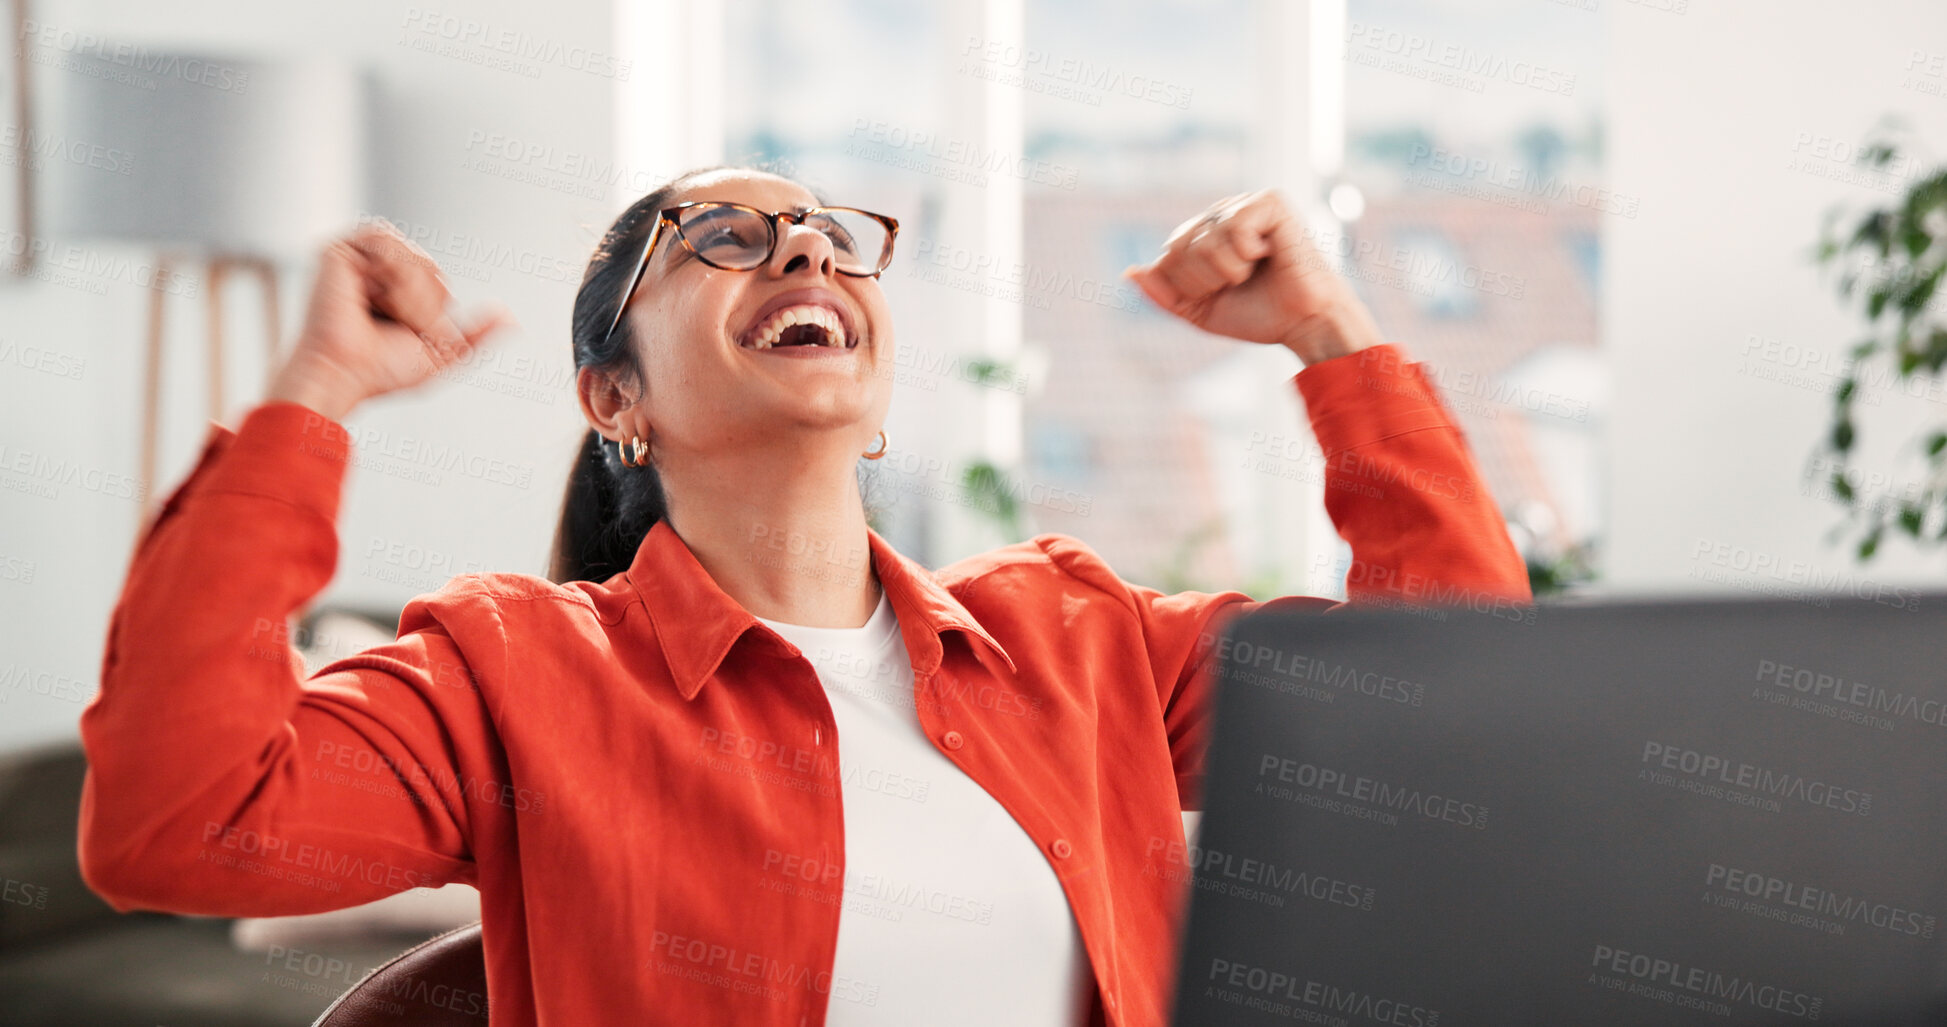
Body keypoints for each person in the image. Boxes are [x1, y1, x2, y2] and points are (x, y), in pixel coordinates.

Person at [76, 165, 1529, 1027]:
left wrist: (1330, 338)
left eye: (829, 233)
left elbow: (1454, 711)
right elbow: (179, 830)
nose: (804, 248)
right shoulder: (507, 672)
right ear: (613, 398)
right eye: (717, 238)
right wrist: (317, 394)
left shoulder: (1075, 637)